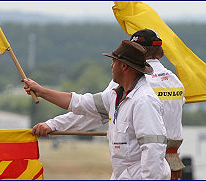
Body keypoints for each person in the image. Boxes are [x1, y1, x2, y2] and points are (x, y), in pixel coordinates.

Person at [31, 29, 186, 180]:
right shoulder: (174, 82)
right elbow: (83, 103)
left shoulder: (142, 98)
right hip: (171, 164)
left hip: (147, 170)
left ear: (125, 65)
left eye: (114, 62)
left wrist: (53, 125)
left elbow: (89, 116)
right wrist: (42, 91)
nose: (111, 66)